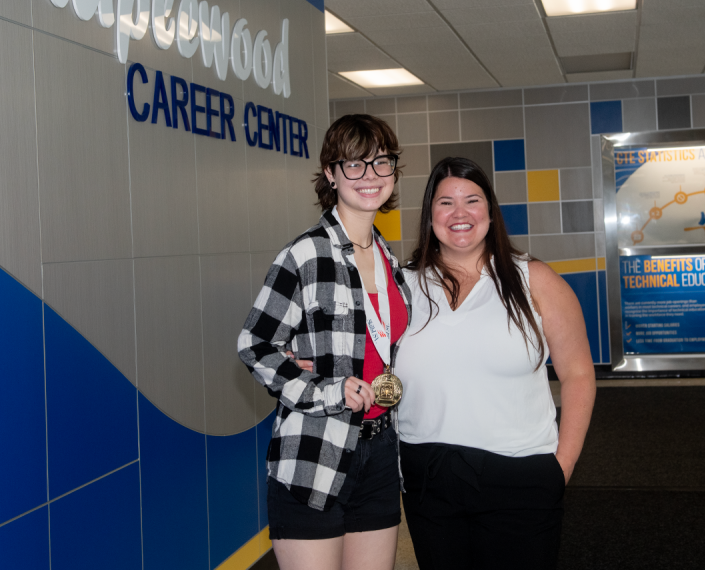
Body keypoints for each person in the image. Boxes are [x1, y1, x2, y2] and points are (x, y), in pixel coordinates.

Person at [395, 156, 596, 570]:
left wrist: (563, 467)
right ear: (429, 214)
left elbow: (578, 373)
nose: (460, 213)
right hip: (428, 476)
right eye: (445, 202)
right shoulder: (403, 285)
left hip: (520, 474)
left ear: (490, 211)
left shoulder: (534, 280)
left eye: (472, 200)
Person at [237, 114, 412, 570]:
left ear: (394, 171)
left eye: (380, 163)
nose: (370, 176)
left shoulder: (391, 261)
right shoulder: (305, 255)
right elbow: (256, 345)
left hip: (379, 452)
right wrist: (324, 391)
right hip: (316, 450)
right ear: (331, 174)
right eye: (353, 164)